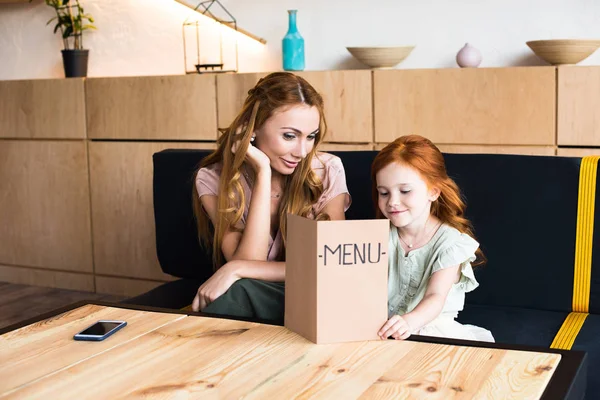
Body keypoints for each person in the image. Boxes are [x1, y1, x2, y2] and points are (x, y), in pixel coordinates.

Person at [190, 72, 351, 321]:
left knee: (238, 290)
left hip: (317, 296)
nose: (301, 151)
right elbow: (250, 265)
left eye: (311, 136)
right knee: (241, 290)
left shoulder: (328, 170)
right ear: (253, 129)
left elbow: (332, 263)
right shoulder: (212, 179)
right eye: (289, 136)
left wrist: (235, 268)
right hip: (258, 296)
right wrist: (263, 172)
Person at [372, 135, 494, 342]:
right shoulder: (378, 235)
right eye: (384, 193)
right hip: (382, 327)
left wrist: (408, 322)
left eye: (405, 191)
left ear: (433, 192)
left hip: (429, 329)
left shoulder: (450, 243)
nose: (392, 202)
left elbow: (435, 297)